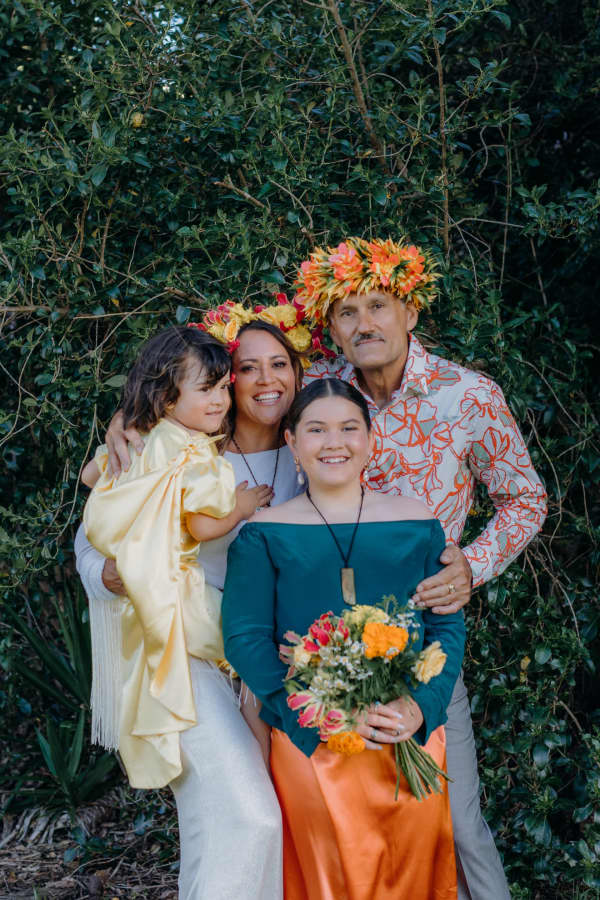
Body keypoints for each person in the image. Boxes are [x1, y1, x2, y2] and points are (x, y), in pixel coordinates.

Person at [293, 235, 548, 900]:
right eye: (346, 312)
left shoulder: (468, 397)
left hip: (432, 637)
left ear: (411, 312)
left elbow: (526, 497)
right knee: (363, 821)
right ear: (331, 327)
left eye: (379, 305)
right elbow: (219, 380)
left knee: (455, 819)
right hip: (330, 642)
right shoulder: (316, 396)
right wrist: (127, 425)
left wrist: (474, 565)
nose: (363, 323)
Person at [75, 308, 312, 900]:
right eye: (243, 370)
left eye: (279, 365)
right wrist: (108, 573)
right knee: (247, 816)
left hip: (280, 665)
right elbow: (98, 529)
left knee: (245, 824)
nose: (262, 381)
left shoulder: (317, 446)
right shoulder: (175, 447)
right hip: (186, 652)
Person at [222, 377, 466, 899]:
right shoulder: (263, 532)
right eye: (316, 429)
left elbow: (445, 625)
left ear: (372, 438)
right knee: (329, 873)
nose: (334, 443)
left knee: (415, 870)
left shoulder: (418, 522)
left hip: (407, 735)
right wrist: (316, 714)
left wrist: (420, 707)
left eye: (349, 428)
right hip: (312, 743)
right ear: (291, 441)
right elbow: (245, 639)